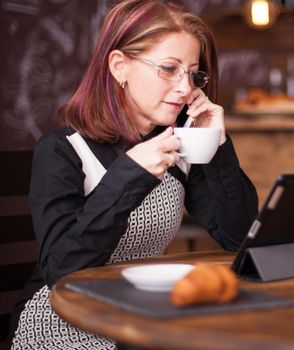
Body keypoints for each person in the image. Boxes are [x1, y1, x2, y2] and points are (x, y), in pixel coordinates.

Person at [6, 1, 258, 349]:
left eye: (192, 73)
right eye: (169, 69)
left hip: (141, 316)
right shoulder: (63, 150)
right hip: (65, 319)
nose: (185, 88)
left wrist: (215, 142)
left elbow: (240, 237)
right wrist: (130, 174)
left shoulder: (176, 147)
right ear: (119, 66)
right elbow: (62, 271)